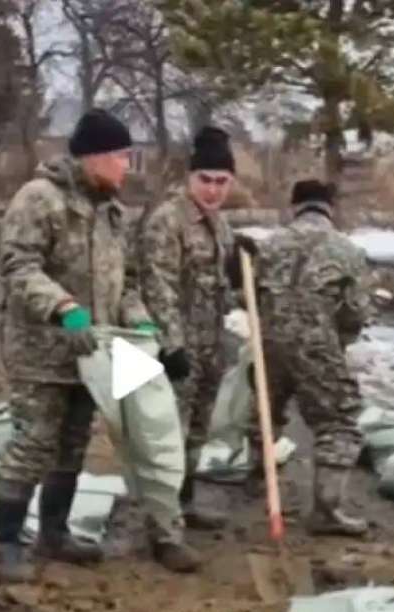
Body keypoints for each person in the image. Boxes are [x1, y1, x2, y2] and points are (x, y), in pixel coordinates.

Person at [0, 108, 201, 582]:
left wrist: (148, 332)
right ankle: (5, 545)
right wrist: (64, 307)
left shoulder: (110, 210)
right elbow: (18, 265)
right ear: (95, 157)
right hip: (41, 352)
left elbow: (123, 282)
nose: (128, 166)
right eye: (123, 157)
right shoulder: (39, 200)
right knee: (32, 443)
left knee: (72, 444)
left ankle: (53, 533)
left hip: (92, 357)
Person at [228, 179, 371, 536]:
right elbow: (355, 311)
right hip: (317, 345)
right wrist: (338, 340)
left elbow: (247, 296)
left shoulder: (270, 245)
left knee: (265, 408)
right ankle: (327, 508)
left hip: (270, 342)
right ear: (329, 208)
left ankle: (257, 475)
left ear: (294, 207)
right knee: (339, 419)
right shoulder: (346, 249)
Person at [137, 125, 239, 534]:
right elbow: (156, 284)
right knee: (168, 437)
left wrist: (237, 265)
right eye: (205, 180)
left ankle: (184, 502)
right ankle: (163, 526)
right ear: (189, 178)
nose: (213, 189)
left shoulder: (220, 226)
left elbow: (218, 289)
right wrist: (171, 345)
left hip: (210, 346)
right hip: (175, 352)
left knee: (197, 432)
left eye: (222, 181)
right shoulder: (168, 221)